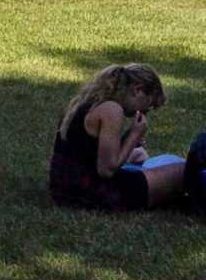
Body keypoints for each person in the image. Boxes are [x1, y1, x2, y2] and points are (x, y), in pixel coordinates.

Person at [48, 62, 186, 212]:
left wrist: (129, 148)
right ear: (138, 90)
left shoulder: (84, 104)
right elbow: (106, 170)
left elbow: (88, 154)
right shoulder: (112, 110)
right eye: (149, 104)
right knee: (183, 169)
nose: (145, 112)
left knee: (139, 156)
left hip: (65, 190)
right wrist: (134, 135)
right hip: (96, 194)